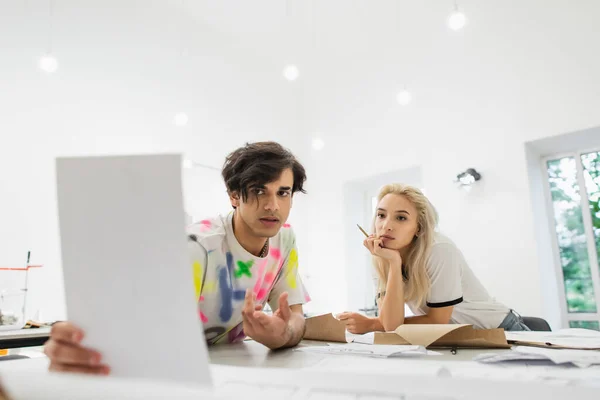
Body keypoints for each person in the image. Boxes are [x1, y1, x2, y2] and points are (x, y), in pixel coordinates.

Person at [43, 141, 311, 375]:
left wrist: (283, 334)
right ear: (233, 195)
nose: (272, 205)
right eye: (259, 190)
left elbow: (296, 318)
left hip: (232, 371)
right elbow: (141, 327)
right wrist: (93, 345)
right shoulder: (197, 247)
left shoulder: (284, 239)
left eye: (283, 192)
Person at [338, 183, 529, 334]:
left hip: (500, 331)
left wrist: (372, 324)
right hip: (458, 338)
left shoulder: (439, 250)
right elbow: (391, 324)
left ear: (419, 227)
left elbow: (438, 320)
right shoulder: (381, 256)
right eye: (381, 215)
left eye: (401, 218)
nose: (386, 225)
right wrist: (394, 264)